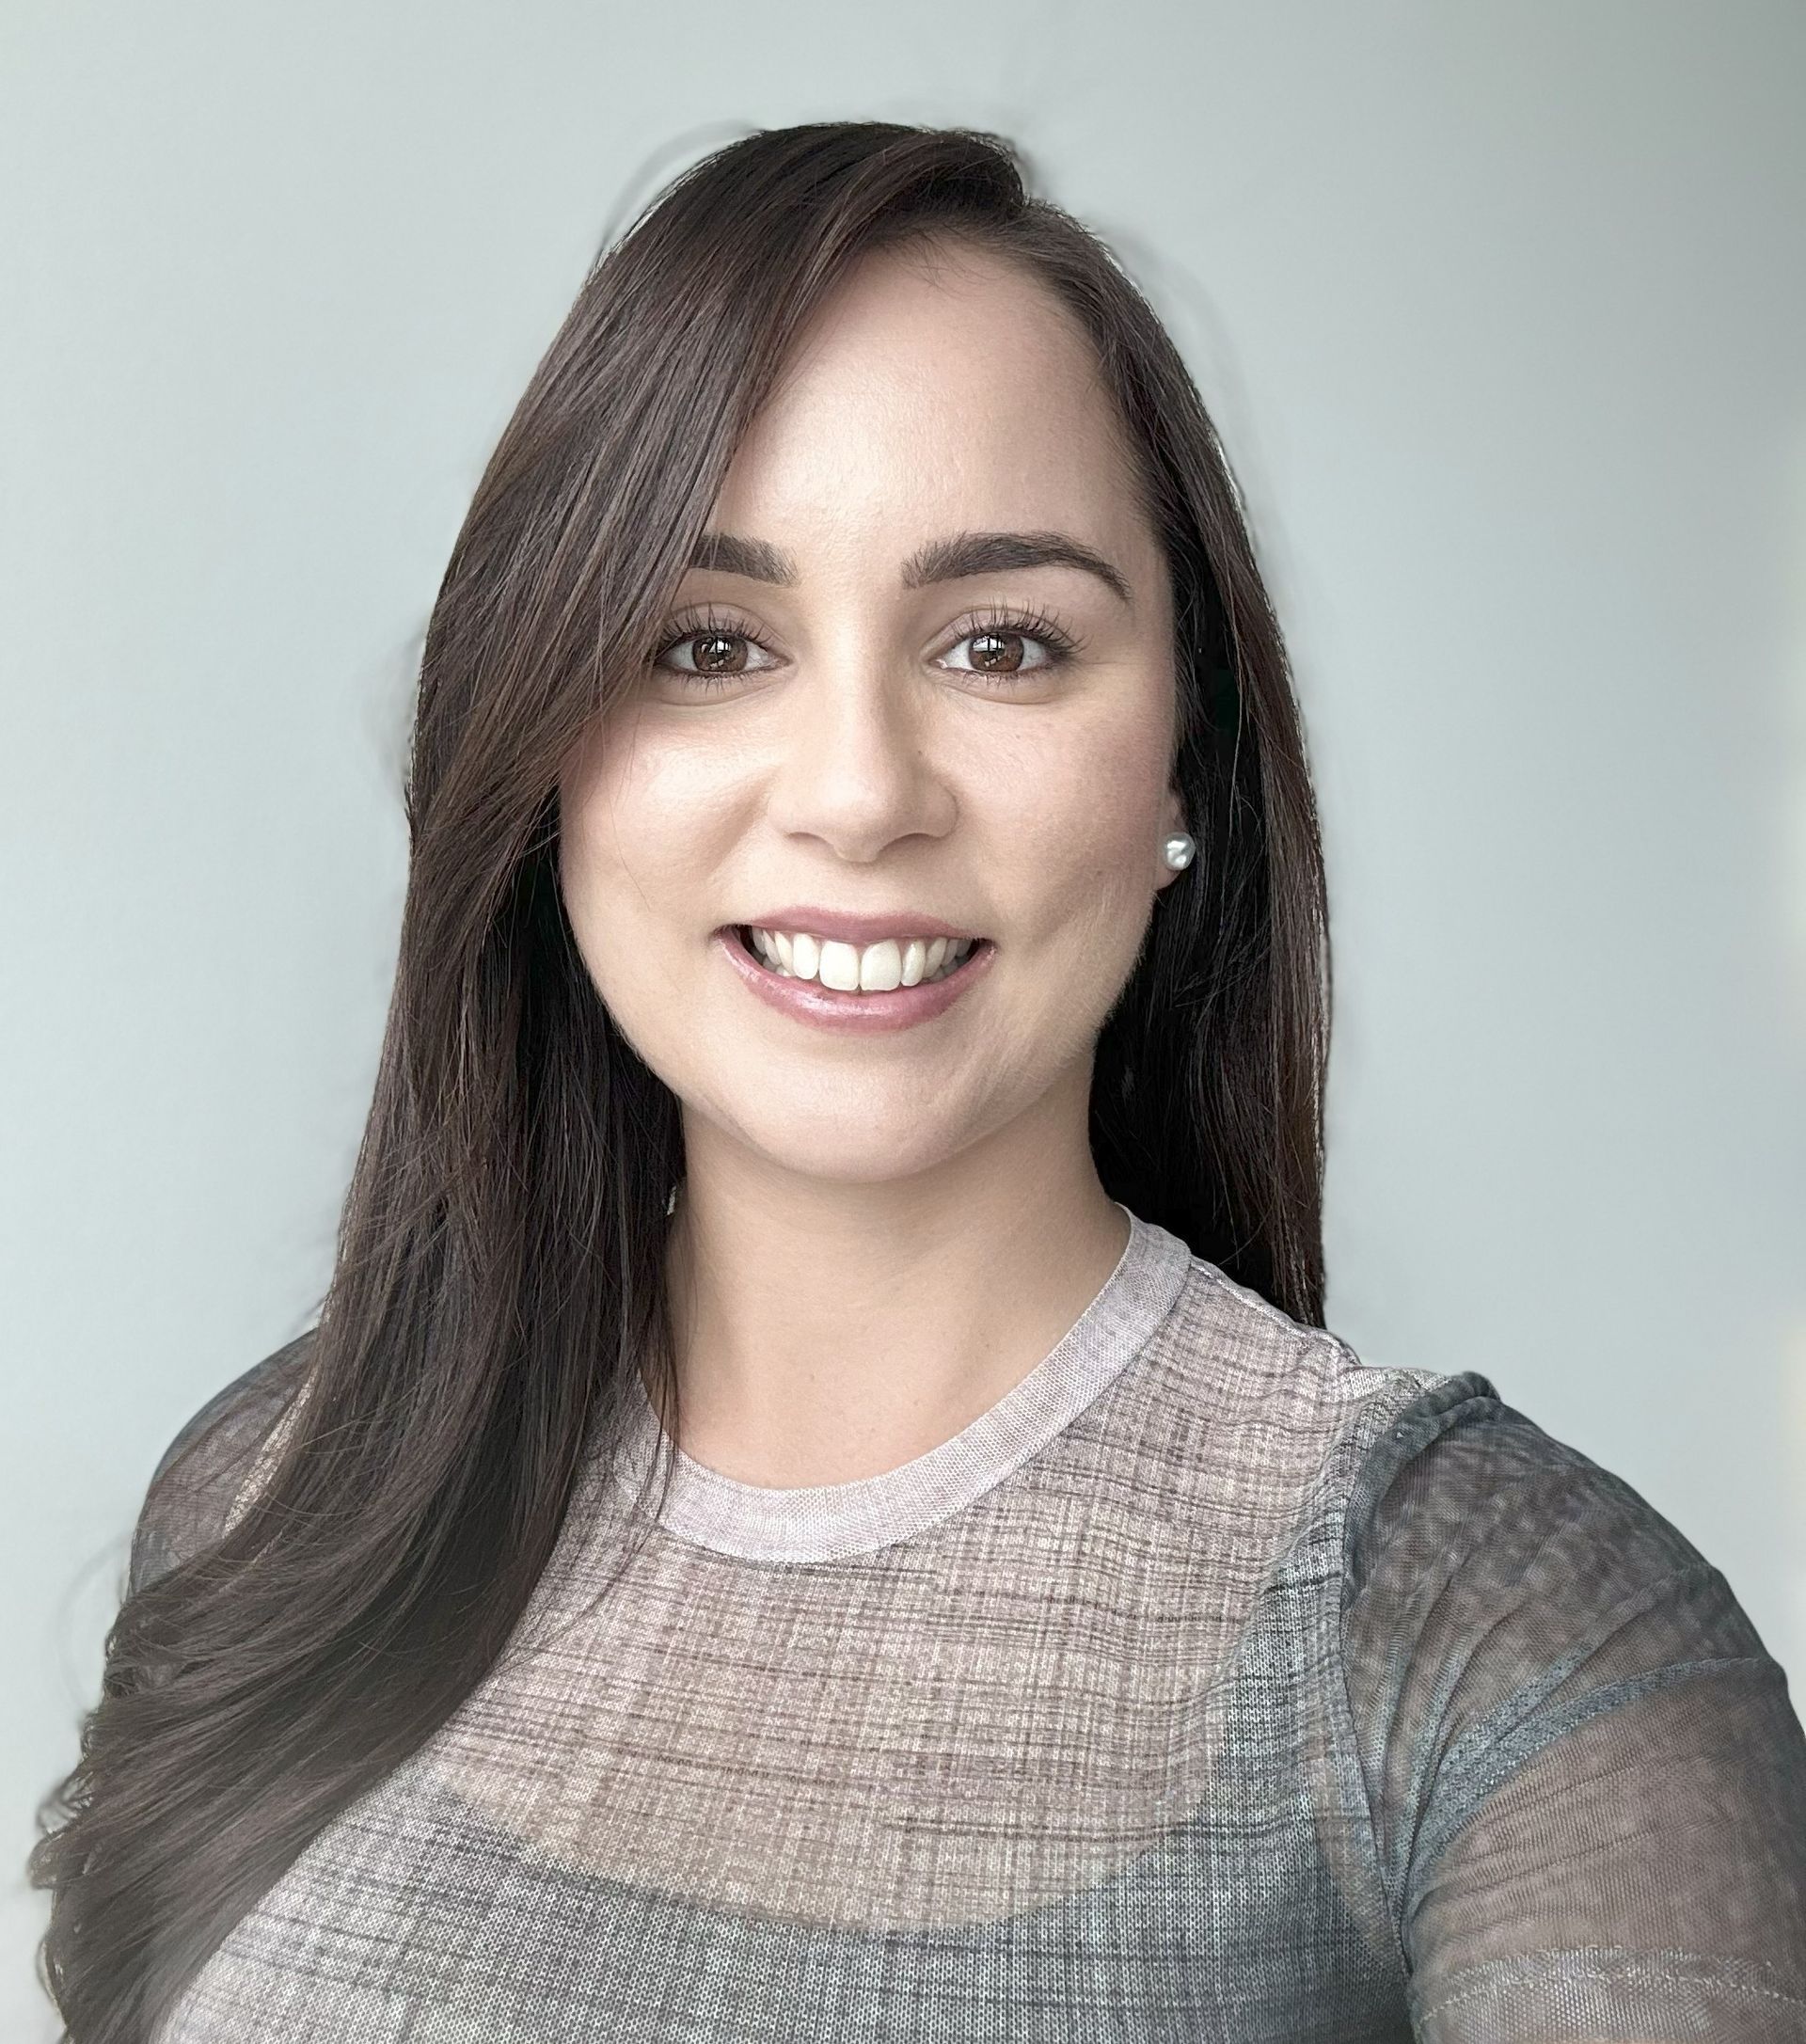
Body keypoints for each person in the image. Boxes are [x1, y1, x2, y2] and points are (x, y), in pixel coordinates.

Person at [30, 119, 1806, 2043]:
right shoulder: (278, 1505)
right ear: (545, 757)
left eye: (1002, 645)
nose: (862, 790)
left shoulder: (1514, 1639)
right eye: (710, 644)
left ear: (1185, 765)